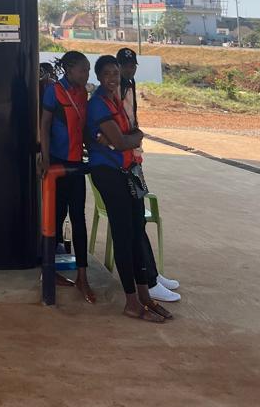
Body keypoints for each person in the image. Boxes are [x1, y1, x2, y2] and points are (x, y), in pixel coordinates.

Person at [86, 55, 173, 322]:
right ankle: (131, 302)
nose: (113, 78)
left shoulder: (116, 100)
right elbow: (124, 141)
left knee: (136, 232)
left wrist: (132, 137)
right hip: (109, 175)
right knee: (124, 237)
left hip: (128, 173)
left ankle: (145, 296)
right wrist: (133, 138)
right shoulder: (98, 104)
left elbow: (130, 134)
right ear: (98, 77)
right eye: (107, 74)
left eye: (115, 73)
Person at [116, 47, 181, 302]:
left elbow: (132, 120)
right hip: (124, 162)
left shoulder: (130, 85)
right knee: (135, 221)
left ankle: (152, 273)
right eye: (125, 65)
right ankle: (149, 281)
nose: (129, 69)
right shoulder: (114, 89)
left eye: (132, 65)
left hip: (134, 160)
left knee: (140, 220)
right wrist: (134, 138)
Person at [40, 50, 95, 303]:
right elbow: (45, 125)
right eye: (83, 70)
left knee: (78, 218)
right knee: (56, 217)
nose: (86, 74)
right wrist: (45, 157)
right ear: (70, 69)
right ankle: (48, 272)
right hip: (57, 165)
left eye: (88, 70)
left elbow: (82, 127)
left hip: (76, 165)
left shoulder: (83, 93)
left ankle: (82, 276)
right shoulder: (54, 91)